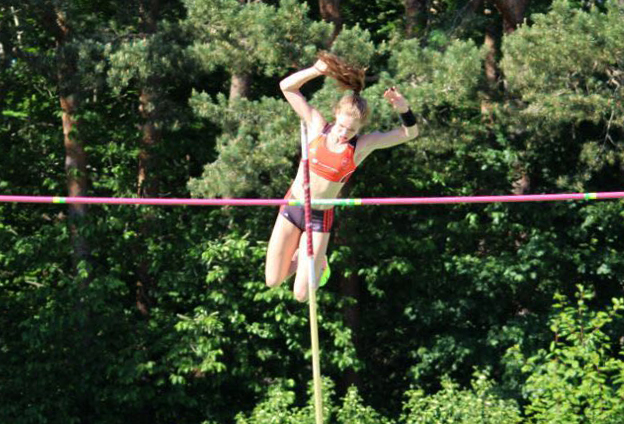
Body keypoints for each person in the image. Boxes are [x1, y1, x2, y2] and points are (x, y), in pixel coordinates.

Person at [265, 52, 419, 302]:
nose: (343, 133)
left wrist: (403, 108)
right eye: (341, 126)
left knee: (302, 295)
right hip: (292, 206)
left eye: (351, 130)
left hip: (318, 217)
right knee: (273, 281)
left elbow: (409, 134)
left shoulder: (360, 147)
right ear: (336, 114)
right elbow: (287, 87)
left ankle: (319, 264)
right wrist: (316, 70)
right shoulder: (317, 126)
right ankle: (306, 257)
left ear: (360, 129)